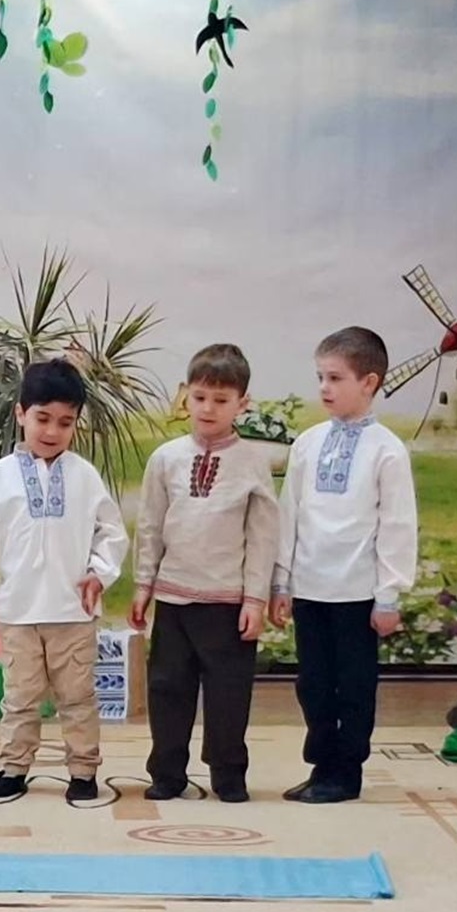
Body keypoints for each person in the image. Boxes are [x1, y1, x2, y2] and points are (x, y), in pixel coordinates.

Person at [0, 359, 127, 804]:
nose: (52, 431)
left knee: (78, 698)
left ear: (76, 424)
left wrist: (100, 574)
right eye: (42, 418)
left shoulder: (85, 476)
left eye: (65, 422)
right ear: (20, 414)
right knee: (19, 698)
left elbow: (112, 533)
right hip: (17, 613)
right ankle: (13, 769)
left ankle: (83, 772)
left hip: (73, 612)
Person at [271, 326, 419, 803]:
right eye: (320, 377)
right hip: (309, 588)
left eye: (335, 378)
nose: (324, 388)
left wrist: (389, 594)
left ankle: (346, 772)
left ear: (369, 382)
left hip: (357, 593)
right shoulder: (308, 443)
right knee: (313, 684)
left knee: (353, 686)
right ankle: (322, 765)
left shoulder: (387, 450)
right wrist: (281, 580)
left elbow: (397, 524)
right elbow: (290, 512)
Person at [130, 343, 278, 802]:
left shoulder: (253, 463)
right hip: (173, 599)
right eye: (199, 397)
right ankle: (167, 773)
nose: (208, 408)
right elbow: (150, 525)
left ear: (242, 404)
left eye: (221, 399)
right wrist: (143, 585)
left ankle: (228, 774)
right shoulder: (166, 458)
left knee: (228, 694)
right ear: (185, 395)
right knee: (166, 688)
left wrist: (255, 599)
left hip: (228, 603)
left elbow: (262, 536)